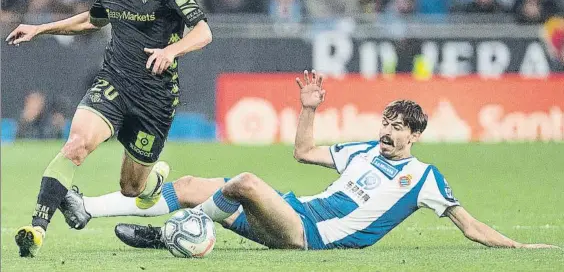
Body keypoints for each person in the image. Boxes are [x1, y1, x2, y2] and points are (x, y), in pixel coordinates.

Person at [60, 71, 557, 251]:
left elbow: (468, 225)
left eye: (398, 127)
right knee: (190, 182)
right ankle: (92, 210)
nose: (387, 131)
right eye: (386, 122)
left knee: (246, 182)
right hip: (294, 211)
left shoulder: (424, 178)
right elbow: (303, 152)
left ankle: (178, 230)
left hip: (309, 236)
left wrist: (518, 246)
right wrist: (308, 109)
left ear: (416, 135)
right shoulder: (362, 150)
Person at [7, 0, 212, 257]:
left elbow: (204, 31)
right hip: (114, 83)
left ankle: (154, 180)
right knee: (76, 144)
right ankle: (36, 229)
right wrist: (41, 28)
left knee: (132, 188)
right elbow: (93, 20)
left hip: (156, 100)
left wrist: (172, 52)